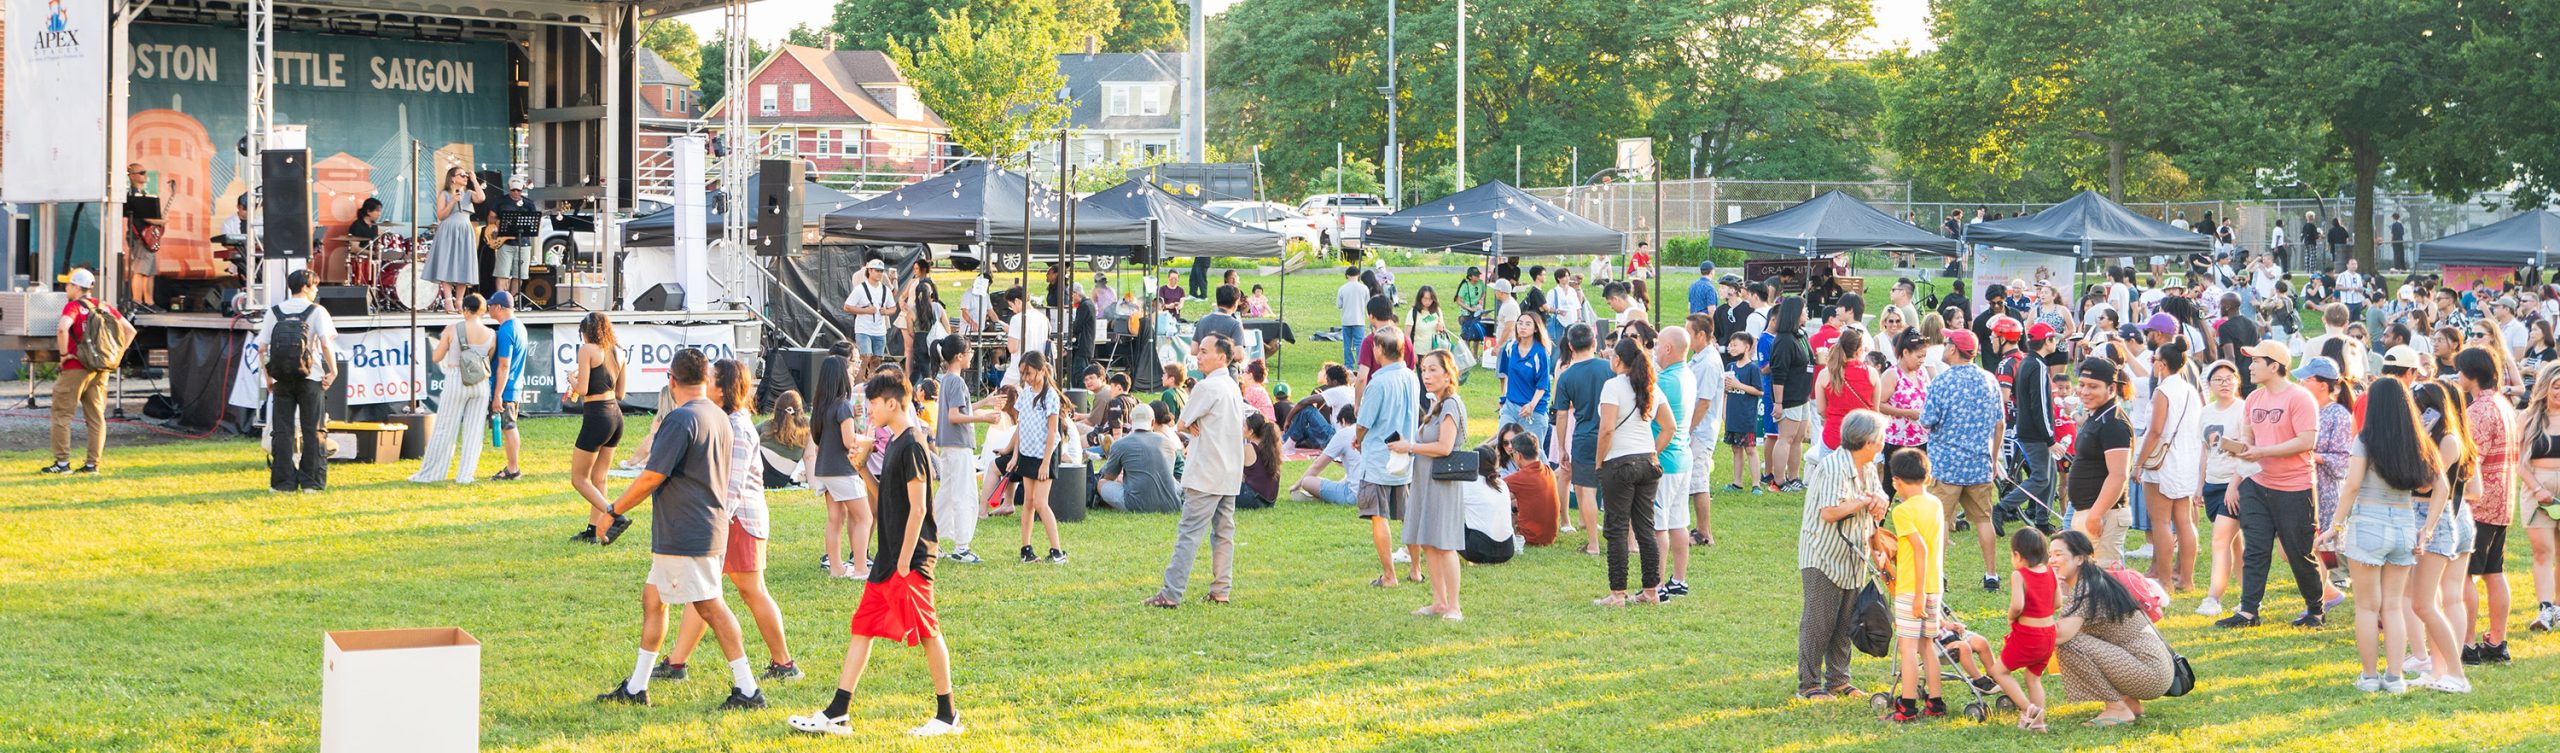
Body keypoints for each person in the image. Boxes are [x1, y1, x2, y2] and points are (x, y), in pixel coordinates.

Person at [785, 373, 966, 738]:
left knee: (928, 632)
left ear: (892, 403)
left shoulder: (913, 444)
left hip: (910, 559)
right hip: (888, 559)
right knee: (862, 628)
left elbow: (918, 509)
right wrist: (863, 468)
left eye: (872, 402)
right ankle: (838, 713)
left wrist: (902, 562)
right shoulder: (897, 442)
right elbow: (886, 501)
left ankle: (947, 716)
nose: (868, 409)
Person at [594, 349, 764, 711]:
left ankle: (748, 690)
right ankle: (637, 686)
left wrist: (612, 510)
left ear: (672, 381)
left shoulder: (681, 419)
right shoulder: (719, 417)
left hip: (687, 531)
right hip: (702, 527)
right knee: (653, 599)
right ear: (705, 379)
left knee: (711, 608)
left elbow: (653, 476)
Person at [658, 359, 802, 683]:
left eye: (710, 380)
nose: (704, 383)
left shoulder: (737, 427)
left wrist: (713, 523)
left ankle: (784, 664)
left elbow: (732, 487)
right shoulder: (724, 420)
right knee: (705, 590)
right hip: (728, 520)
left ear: (723, 390)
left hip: (737, 521)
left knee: (751, 591)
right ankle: (677, 663)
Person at [2326, 375, 2437, 693]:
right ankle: (2395, 676)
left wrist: (2335, 526)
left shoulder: (2365, 439)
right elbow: (2427, 484)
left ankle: (2370, 676)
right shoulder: (2417, 441)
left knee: (2366, 606)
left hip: (2368, 524)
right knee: (2393, 605)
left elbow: (2352, 485)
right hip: (2403, 523)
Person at [2217, 341, 2327, 629]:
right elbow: (2250, 442)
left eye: (2256, 361)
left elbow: (2306, 442)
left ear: (2275, 366)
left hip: (2295, 486)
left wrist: (2262, 451)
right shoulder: (2253, 398)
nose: (2250, 366)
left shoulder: (2300, 398)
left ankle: (2315, 610)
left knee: (2298, 551)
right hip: (2256, 483)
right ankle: (2248, 611)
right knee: (2255, 548)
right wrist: (2235, 475)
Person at [1145, 334, 1248, 608]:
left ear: (1222, 357)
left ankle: (1171, 593)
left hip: (1206, 471)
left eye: (1204, 352)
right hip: (1229, 471)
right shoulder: (1232, 385)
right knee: (1224, 533)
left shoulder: (1206, 387)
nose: (1198, 356)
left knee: (1189, 533)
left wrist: (1188, 422)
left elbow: (1181, 422)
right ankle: (1221, 590)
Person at [1796, 410, 1889, 698]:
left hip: (1853, 558)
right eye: (1880, 437)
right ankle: (1808, 685)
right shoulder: (1833, 466)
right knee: (1819, 621)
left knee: (1845, 621)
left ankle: (1838, 679)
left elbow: (1873, 513)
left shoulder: (1869, 467)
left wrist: (1876, 543)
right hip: (1823, 555)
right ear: (1868, 440)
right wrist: (1864, 501)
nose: (1884, 442)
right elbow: (1830, 512)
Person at [2049, 530, 2177, 727]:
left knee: (2069, 643)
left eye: (2058, 555)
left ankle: (2118, 709)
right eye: (2050, 555)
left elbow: (2060, 635)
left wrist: (2033, 610)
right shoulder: (2096, 579)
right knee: (2079, 636)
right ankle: (2130, 703)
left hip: (2150, 673)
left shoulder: (2086, 588)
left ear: (2079, 558)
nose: (2052, 561)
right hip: (2156, 670)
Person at [1385, 350, 1471, 619]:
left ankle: (1454, 605)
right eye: (1424, 369)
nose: (1427, 375)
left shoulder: (1451, 405)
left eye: (1433, 369)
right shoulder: (1436, 405)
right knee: (1429, 543)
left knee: (1444, 544)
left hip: (1442, 483)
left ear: (1448, 374)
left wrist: (1410, 446)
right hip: (1426, 480)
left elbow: (1445, 447)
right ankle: (1439, 601)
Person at [1919, 329, 2006, 589]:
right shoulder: (1989, 379)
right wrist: (1993, 458)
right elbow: (1999, 424)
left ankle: (1939, 574)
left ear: (1954, 349)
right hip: (1979, 463)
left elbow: (1926, 420)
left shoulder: (1943, 382)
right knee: (1983, 519)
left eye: (1946, 343)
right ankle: (1991, 574)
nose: (1944, 348)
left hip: (1946, 465)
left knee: (1941, 519)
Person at [2407, 379, 2478, 692]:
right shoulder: (2426, 437)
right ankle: (2438, 671)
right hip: (2416, 516)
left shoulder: (2447, 440)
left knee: (2428, 603)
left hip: (2437, 521)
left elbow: (2424, 482)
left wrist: (2418, 440)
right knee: (2425, 602)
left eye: (2417, 408)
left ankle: (2456, 674)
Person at [1594, 335, 1674, 608]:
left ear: (1617, 360)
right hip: (1647, 462)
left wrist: (1599, 461)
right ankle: (1651, 590)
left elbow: (1606, 429)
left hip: (1619, 462)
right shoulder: (1651, 386)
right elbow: (1669, 427)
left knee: (1616, 529)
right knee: (1645, 528)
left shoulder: (1612, 386)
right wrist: (1652, 451)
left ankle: (1618, 593)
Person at [2455, 347, 2517, 665]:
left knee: (2466, 574)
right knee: (2495, 572)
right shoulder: (2504, 404)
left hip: (2479, 504)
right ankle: (2497, 640)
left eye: (2460, 371)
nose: (2457, 376)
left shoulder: (2478, 411)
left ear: (2471, 374)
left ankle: (2467, 644)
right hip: (2503, 500)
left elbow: (2471, 462)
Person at [43, 269, 134, 475]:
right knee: (96, 417)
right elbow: (130, 330)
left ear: (76, 287)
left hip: (75, 368)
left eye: (68, 285)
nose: (66, 288)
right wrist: (116, 356)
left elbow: (62, 328)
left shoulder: (73, 306)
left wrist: (64, 354)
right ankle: (92, 465)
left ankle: (62, 464)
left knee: (62, 415)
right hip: (100, 369)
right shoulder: (105, 307)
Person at [1878, 449, 1946, 723]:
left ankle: (1906, 707)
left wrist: (1917, 595)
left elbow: (1919, 550)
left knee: (1908, 648)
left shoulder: (1903, 510)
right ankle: (1936, 703)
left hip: (1912, 588)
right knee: (1927, 645)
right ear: (1926, 476)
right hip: (1934, 586)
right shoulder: (1936, 504)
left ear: (1896, 481)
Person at [257, 269, 341, 493]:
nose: (316, 291)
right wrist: (333, 371)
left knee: (282, 431)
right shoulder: (317, 311)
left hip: (282, 378)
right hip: (310, 377)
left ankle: (282, 483)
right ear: (305, 287)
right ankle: (311, 482)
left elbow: (262, 348)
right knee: (314, 429)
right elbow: (325, 344)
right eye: (314, 286)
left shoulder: (273, 312)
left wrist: (268, 378)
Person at [1354, 328, 1421, 587]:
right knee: (1408, 515)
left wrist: (1358, 438)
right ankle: (1415, 569)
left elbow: (1364, 422)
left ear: (1380, 350)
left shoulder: (1378, 382)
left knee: (1378, 515)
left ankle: (1389, 575)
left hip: (1379, 458)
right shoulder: (1411, 377)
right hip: (1404, 455)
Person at [2138, 342, 2204, 589]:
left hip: (2163, 462)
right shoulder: (2190, 389)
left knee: (2161, 522)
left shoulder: (2162, 391)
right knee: (2184, 521)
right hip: (2187, 459)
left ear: (2161, 364)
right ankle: (2186, 580)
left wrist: (2138, 464)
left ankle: (2164, 581)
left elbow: (2155, 431)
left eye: (2153, 359)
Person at [409, 294, 494, 484]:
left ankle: (432, 474)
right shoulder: (491, 334)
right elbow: (488, 357)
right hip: (480, 383)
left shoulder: (452, 329)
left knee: (444, 428)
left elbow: (436, 358)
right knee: (474, 431)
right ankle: (465, 476)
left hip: (457, 378)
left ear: (465, 310)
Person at [568, 313, 632, 542]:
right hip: (616, 417)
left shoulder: (587, 350)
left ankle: (614, 515)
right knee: (599, 477)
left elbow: (583, 389)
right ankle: (594, 531)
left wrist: (572, 381)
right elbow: (621, 393)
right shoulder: (619, 352)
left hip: (597, 416)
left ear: (587, 332)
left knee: (579, 478)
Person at [808, 355, 873, 578]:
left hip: (824, 470)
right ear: (840, 375)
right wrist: (866, 441)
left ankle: (836, 568)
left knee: (835, 519)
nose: (852, 371)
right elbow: (848, 441)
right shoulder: (843, 405)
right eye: (849, 368)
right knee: (865, 518)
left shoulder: (821, 407)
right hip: (842, 471)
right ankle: (861, 568)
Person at [1551, 324, 1613, 555]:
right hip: (1612, 434)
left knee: (1586, 490)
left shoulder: (1567, 376)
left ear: (1569, 346)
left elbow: (1562, 414)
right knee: (1617, 488)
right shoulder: (1609, 369)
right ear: (1594, 342)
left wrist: (1562, 449)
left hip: (1584, 436)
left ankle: (1593, 544)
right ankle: (1629, 541)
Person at [931, 337, 994, 563]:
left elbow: (958, 409)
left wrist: (983, 403)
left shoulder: (947, 379)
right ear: (959, 356)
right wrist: (983, 418)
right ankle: (962, 546)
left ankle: (932, 540)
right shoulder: (956, 382)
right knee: (963, 494)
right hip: (958, 445)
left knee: (947, 494)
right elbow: (955, 416)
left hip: (948, 445)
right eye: (969, 352)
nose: (971, 356)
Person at [1989, 528, 2058, 731]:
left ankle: (2029, 709)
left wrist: (2011, 616)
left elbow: (2018, 605)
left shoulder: (2019, 575)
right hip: (2049, 634)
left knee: (1999, 672)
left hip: (2029, 635)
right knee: (2033, 678)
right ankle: (2038, 724)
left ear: (2017, 555)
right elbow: (2056, 602)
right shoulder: (2050, 571)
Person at [1004, 351, 1068, 564]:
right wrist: (1015, 455)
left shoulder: (1050, 396)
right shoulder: (1025, 394)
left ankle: (1057, 551)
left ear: (1041, 370)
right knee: (1029, 502)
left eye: (1029, 373)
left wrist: (1046, 463)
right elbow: (1021, 426)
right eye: (1023, 373)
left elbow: (1052, 432)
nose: (1026, 377)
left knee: (1041, 502)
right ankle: (1026, 549)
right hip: (1027, 453)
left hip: (1044, 455)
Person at [1649, 327, 1698, 598]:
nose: (1655, 350)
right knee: (1678, 521)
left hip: (1664, 459)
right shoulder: (1687, 375)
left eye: (1658, 345)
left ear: (1668, 348)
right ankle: (1678, 580)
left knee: (1658, 524)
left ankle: (1655, 585)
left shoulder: (1665, 382)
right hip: (1682, 457)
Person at [1998, 321, 2059, 530]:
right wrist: (2049, 438)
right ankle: (2002, 508)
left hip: (2028, 428)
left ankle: (2042, 520)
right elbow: (2040, 405)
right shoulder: (2038, 366)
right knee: (2042, 477)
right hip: (2035, 432)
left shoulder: (2026, 362)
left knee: (2051, 475)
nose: (2055, 343)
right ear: (2047, 341)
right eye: (2053, 339)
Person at [2517, 363, 2560, 634]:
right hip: (2537, 488)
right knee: (2543, 551)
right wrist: (2537, 489)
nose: (2559, 391)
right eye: (2555, 386)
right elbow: (2520, 462)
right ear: (2545, 386)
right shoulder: (2528, 418)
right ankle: (2545, 608)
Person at [1767, 298, 1815, 491]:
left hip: (1803, 395)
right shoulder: (1784, 340)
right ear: (1794, 313)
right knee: (1785, 438)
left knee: (1798, 438)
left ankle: (1794, 477)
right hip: (1788, 397)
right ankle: (1778, 480)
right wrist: (1778, 403)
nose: (1807, 314)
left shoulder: (1801, 335)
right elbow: (1778, 374)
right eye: (1804, 310)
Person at [1100, 402, 1182, 513]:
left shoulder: (1120, 444)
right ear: (1153, 422)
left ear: (1131, 421)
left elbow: (1109, 477)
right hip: (1171, 504)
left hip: (1136, 504)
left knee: (1102, 483)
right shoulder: (1169, 444)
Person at [423, 166, 484, 313]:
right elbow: (441, 215)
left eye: (465, 175)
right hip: (448, 230)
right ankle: (448, 300)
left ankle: (460, 301)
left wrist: (474, 180)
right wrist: (452, 201)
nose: (465, 177)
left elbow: (481, 198)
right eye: (462, 175)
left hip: (465, 230)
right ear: (452, 178)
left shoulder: (468, 193)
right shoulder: (444, 194)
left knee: (464, 265)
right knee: (447, 264)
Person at [483, 292, 529, 481]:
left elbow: (504, 364)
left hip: (506, 387)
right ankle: (512, 467)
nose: (488, 309)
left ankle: (513, 469)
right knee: (508, 426)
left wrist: (497, 395)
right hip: (513, 385)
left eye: (491, 305)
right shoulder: (518, 326)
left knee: (509, 427)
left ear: (499, 308)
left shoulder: (506, 330)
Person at [1720, 332, 1766, 498]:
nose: (1732, 348)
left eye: (1735, 345)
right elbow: (1726, 391)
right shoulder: (1730, 367)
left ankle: (1756, 484)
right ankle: (1737, 482)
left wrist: (1739, 385)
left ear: (1746, 347)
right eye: (1730, 345)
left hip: (1747, 416)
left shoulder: (1752, 368)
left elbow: (1759, 391)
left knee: (1750, 449)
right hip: (1733, 414)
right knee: (1735, 449)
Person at [1496, 311, 1553, 438]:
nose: (1522, 327)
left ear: (1536, 329)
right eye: (1520, 323)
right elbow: (1506, 375)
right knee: (1502, 443)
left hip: (1533, 409)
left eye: (1528, 324)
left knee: (1532, 452)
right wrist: (1504, 397)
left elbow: (1542, 386)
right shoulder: (1509, 347)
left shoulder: (1540, 354)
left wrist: (1531, 405)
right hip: (1510, 406)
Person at [1502, 432, 1560, 547]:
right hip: (1550, 536)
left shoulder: (1520, 478)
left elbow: (1494, 492)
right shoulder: (1548, 470)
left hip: (1529, 538)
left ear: (1518, 455)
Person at [122, 163, 165, 310]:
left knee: (150, 272)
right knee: (140, 271)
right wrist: (159, 221)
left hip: (148, 238)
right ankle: (137, 302)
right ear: (132, 176)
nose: (145, 175)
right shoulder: (131, 195)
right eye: (141, 172)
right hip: (140, 237)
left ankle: (149, 302)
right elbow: (144, 216)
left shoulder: (143, 193)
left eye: (145, 172)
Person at [843, 260, 896, 370]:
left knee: (876, 361)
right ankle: (858, 386)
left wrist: (886, 312)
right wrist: (865, 311)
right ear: (870, 271)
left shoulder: (886, 290)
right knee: (864, 358)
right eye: (877, 270)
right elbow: (847, 307)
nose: (879, 273)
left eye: (881, 271)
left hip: (880, 331)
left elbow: (893, 308)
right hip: (863, 329)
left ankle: (873, 385)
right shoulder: (860, 289)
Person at [491, 179, 538, 299]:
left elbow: (535, 222)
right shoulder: (501, 202)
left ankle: (512, 300)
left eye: (519, 190)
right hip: (505, 242)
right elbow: (491, 217)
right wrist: (498, 222)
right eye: (513, 190)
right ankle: (500, 300)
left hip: (523, 243)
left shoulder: (528, 204)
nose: (516, 192)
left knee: (520, 274)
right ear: (509, 188)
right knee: (502, 273)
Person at [1336, 267, 1369, 366]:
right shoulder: (1364, 288)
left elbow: (1339, 305)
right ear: (1358, 275)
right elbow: (1368, 303)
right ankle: (1360, 364)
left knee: (1347, 345)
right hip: (1359, 320)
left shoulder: (1342, 288)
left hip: (1346, 320)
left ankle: (1348, 365)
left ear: (1347, 276)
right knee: (1359, 344)